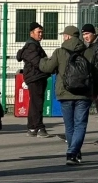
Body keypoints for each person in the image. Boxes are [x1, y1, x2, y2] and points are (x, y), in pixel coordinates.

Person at [39, 26, 93, 165]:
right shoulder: (88, 52)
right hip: (83, 94)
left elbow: (47, 68)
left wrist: (42, 60)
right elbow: (96, 73)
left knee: (69, 126)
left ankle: (72, 152)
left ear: (68, 36)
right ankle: (74, 153)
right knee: (80, 125)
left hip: (65, 93)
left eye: (64, 35)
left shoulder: (59, 52)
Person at [16, 22, 52, 138]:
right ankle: (39, 127)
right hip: (35, 77)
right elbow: (38, 62)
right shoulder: (32, 46)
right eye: (39, 32)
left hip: (36, 76)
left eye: (42, 32)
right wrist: (50, 65)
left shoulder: (34, 45)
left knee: (34, 102)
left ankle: (32, 128)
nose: (41, 34)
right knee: (37, 103)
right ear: (32, 33)